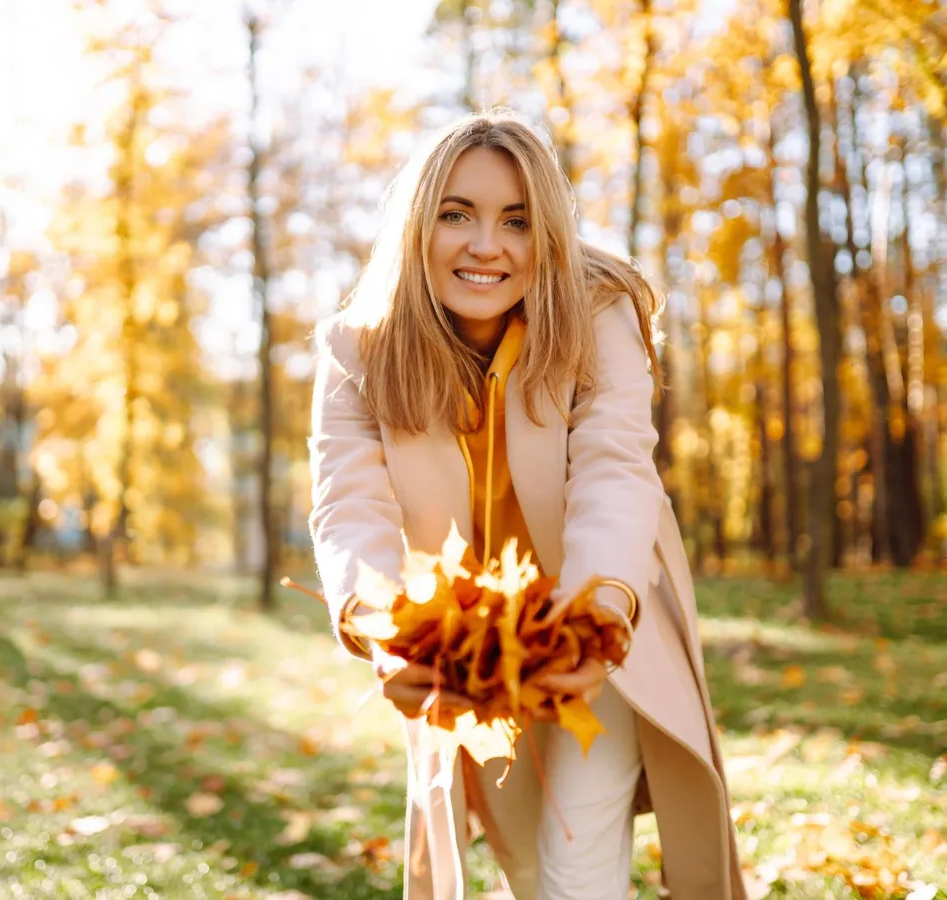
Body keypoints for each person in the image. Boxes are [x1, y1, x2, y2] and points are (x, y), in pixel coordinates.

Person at [307, 111, 746, 900]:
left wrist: (596, 617)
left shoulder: (598, 311)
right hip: (468, 649)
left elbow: (615, 469)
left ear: (545, 235)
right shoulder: (358, 348)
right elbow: (349, 507)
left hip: (595, 618)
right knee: (527, 868)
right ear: (418, 225)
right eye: (457, 215)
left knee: (577, 865)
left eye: (516, 221)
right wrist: (383, 628)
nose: (487, 245)